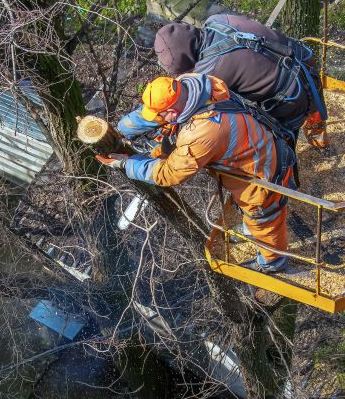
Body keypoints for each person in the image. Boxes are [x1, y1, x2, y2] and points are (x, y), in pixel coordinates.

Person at [101, 74, 297, 274]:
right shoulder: (191, 84)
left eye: (160, 115)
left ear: (173, 111)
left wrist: (128, 164)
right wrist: (119, 130)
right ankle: (250, 231)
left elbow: (170, 174)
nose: (157, 120)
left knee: (263, 217)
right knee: (247, 210)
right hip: (256, 144)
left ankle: (273, 262)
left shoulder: (203, 132)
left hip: (262, 173)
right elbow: (149, 114)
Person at [119, 14, 328, 150]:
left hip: (291, 100)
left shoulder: (211, 71)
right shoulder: (217, 21)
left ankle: (286, 178)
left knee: (280, 142)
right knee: (310, 102)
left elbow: (175, 102)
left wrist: (126, 127)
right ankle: (318, 135)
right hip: (304, 65)